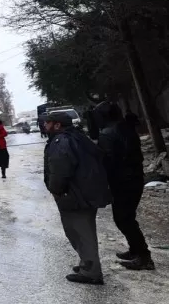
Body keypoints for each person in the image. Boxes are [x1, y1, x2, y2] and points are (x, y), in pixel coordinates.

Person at [44, 111, 112, 285]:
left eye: (48, 123)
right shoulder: (78, 136)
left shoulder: (62, 141)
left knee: (81, 233)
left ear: (57, 125)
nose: (45, 125)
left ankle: (91, 272)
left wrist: (55, 189)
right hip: (85, 192)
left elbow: (60, 170)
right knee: (81, 231)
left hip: (75, 195)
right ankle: (86, 263)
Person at [96, 103, 154, 270]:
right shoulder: (125, 127)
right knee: (126, 218)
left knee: (124, 219)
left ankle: (144, 257)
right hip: (134, 179)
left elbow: (108, 162)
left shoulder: (108, 134)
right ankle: (135, 250)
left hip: (122, 182)